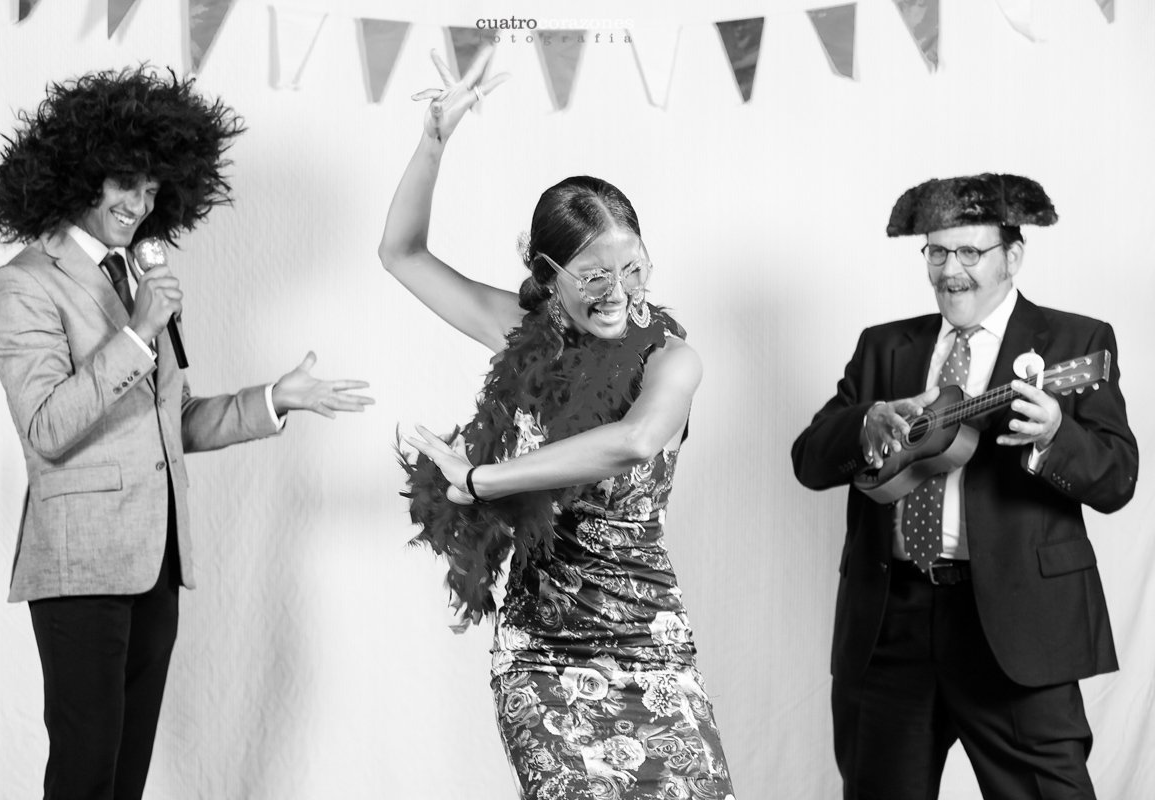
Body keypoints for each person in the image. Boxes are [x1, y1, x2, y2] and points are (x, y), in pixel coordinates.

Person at [0, 67, 374, 800]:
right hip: (81, 568)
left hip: (156, 564)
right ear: (78, 176)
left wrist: (272, 400)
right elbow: (47, 427)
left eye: (153, 189)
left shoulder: (135, 278)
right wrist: (140, 333)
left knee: (124, 780)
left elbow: (168, 424)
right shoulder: (25, 284)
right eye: (125, 183)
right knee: (85, 776)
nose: (140, 204)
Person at [380, 49, 735, 800]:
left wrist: (480, 481)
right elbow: (402, 255)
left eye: (632, 267)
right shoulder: (519, 331)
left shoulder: (673, 361)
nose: (618, 292)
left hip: (651, 643)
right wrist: (434, 141)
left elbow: (632, 442)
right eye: (592, 275)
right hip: (541, 647)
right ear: (545, 274)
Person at [791, 173, 1138, 799]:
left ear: (1014, 256)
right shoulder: (884, 347)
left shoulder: (1076, 342)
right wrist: (868, 425)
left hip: (1016, 627)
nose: (951, 270)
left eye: (970, 252)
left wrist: (1054, 434)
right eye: (937, 251)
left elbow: (1117, 478)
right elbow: (810, 461)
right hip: (890, 623)